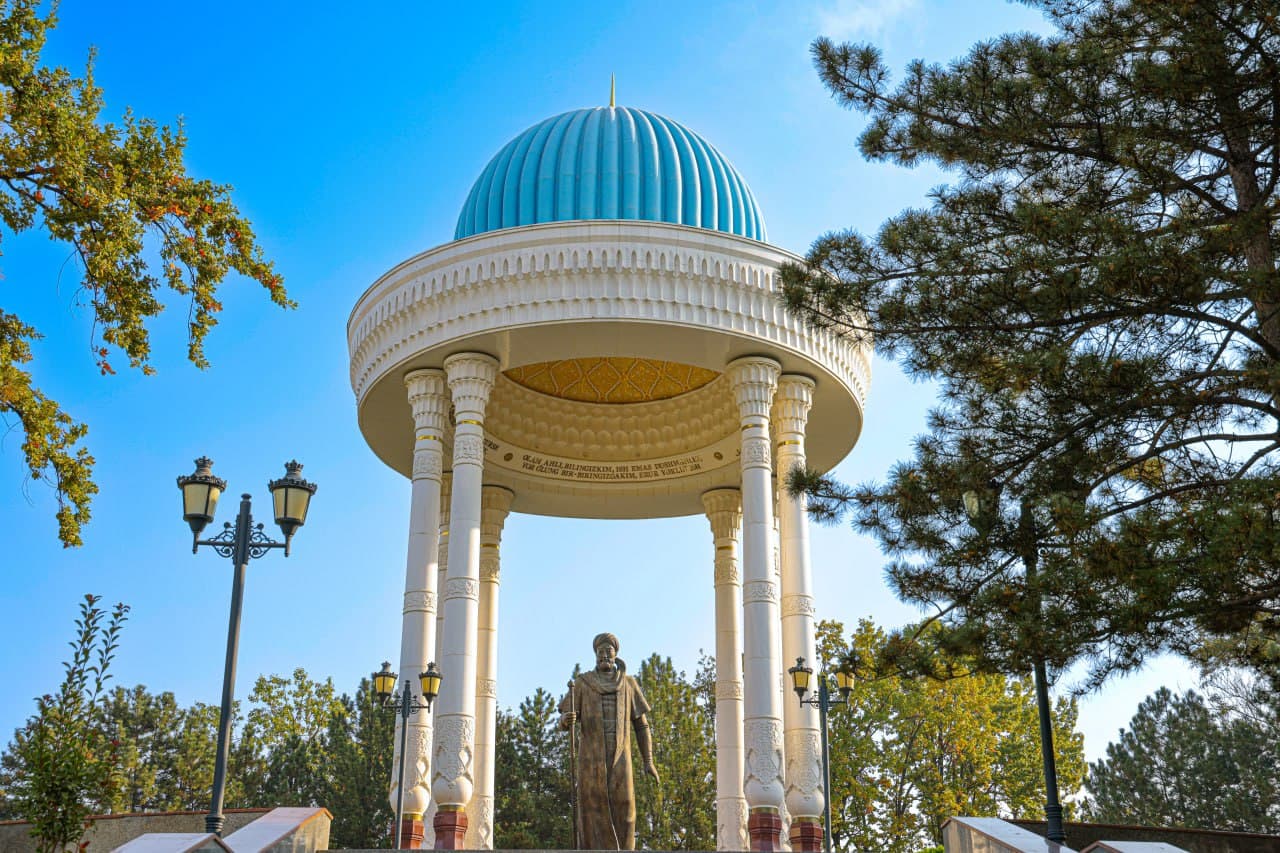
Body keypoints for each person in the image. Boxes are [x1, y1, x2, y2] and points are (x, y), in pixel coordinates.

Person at [559, 632, 659, 850]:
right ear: (595, 654)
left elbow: (641, 725)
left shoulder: (629, 684)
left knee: (626, 810)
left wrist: (648, 760)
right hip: (591, 760)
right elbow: (564, 720)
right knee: (592, 809)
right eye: (600, 652)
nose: (604, 655)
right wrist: (566, 720)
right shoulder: (583, 683)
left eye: (608, 651)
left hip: (621, 758)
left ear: (616, 655)